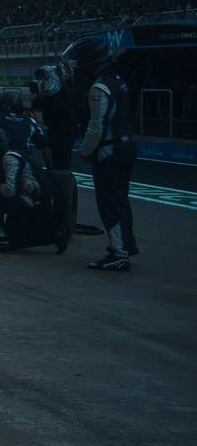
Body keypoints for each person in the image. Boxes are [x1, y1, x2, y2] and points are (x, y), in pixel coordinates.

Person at [65, 36, 138, 271]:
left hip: (110, 151)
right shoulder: (116, 79)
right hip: (125, 145)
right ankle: (124, 246)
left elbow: (97, 126)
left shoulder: (98, 88)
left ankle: (119, 253)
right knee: (120, 200)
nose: (76, 66)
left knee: (110, 203)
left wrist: (85, 151)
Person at [0, 125, 61, 253]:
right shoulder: (9, 155)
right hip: (32, 198)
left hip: (35, 201)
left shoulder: (10, 157)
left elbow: (11, 189)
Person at [31, 63, 78, 171]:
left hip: (64, 131)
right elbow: (35, 104)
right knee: (55, 162)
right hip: (53, 130)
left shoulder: (64, 95)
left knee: (62, 164)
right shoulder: (47, 95)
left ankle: (63, 183)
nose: (41, 82)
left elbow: (57, 106)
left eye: (44, 79)